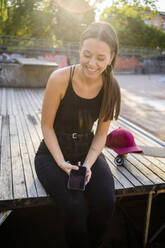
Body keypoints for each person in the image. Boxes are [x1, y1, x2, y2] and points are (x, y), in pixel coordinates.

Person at [34, 21, 121, 248]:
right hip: (52, 154)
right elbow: (46, 126)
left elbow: (101, 134)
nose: (92, 63)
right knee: (75, 209)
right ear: (79, 50)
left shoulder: (111, 87)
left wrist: (89, 165)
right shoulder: (59, 78)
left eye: (101, 58)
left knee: (106, 203)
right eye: (86, 55)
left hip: (87, 150)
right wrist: (62, 163)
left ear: (111, 57)